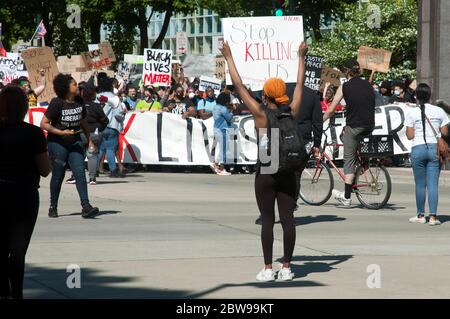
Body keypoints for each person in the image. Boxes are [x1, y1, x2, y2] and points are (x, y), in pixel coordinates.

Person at [221, 40, 307, 282]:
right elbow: (300, 83)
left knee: (268, 220)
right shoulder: (293, 110)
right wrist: (301, 57)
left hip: (267, 169)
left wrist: (229, 57)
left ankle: (268, 268)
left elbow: (238, 86)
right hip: (289, 170)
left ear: (266, 94)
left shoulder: (260, 114)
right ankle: (287, 267)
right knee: (288, 220)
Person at [0, 86, 51, 299]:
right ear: (23, 108)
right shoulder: (33, 133)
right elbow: (45, 170)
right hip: (24, 194)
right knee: (18, 250)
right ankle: (17, 293)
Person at [40, 74, 99, 218]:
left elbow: (83, 121)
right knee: (58, 175)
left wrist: (89, 139)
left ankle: (86, 206)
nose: (77, 86)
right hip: (58, 143)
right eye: (74, 84)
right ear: (65, 87)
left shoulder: (79, 101)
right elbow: (44, 124)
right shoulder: (57, 103)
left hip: (76, 141)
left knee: (80, 172)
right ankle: (53, 207)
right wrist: (61, 132)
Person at [323, 59, 375, 207]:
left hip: (355, 126)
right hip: (369, 125)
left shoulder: (345, 86)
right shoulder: (368, 85)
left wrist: (320, 121)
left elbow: (332, 109)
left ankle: (346, 197)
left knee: (348, 159)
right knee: (349, 137)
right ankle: (361, 167)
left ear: (346, 71)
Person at [405, 83, 449, 226]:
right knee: (432, 184)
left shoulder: (412, 112)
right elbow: (445, 132)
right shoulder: (439, 111)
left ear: (416, 96)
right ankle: (433, 217)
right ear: (430, 96)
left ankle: (420, 215)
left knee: (420, 184)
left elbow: (410, 135)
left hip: (418, 149)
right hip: (434, 149)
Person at [97, 77, 125, 178]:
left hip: (99, 126)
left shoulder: (97, 96)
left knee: (100, 149)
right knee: (110, 149)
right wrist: (123, 115)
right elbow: (118, 114)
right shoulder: (114, 97)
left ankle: (95, 170)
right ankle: (113, 170)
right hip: (111, 125)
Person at [82, 83, 109, 185]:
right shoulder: (96, 106)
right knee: (92, 156)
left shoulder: (79, 105)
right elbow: (105, 121)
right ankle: (92, 178)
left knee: (78, 155)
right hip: (94, 133)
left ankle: (75, 177)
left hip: (80, 133)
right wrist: (99, 128)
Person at [210, 92, 236, 176]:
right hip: (222, 130)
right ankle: (221, 168)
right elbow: (229, 118)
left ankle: (215, 163)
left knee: (222, 148)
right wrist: (232, 111)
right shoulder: (223, 108)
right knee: (224, 149)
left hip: (216, 129)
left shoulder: (215, 107)